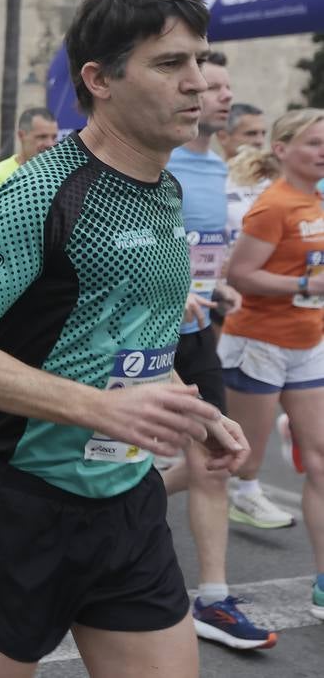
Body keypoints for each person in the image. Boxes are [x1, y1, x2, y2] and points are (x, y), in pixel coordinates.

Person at [0, 0, 248, 676]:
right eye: (169, 64)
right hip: (24, 505)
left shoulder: (167, 186)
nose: (199, 82)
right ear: (99, 78)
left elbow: (130, 335)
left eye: (201, 60)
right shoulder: (41, 193)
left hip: (128, 502)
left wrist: (190, 411)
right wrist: (100, 407)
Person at [157, 58, 277, 648]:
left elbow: (203, 252)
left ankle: (213, 598)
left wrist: (215, 286)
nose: (224, 96)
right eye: (213, 86)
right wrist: (170, 292)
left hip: (196, 331)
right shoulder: (158, 159)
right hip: (137, 337)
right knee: (97, 460)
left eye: (229, 87)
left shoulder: (214, 166)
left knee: (213, 454)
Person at [220, 108, 324, 618]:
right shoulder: (273, 205)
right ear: (282, 150)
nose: (323, 151)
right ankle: (144, 494)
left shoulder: (320, 199)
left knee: (322, 459)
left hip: (308, 343)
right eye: (313, 143)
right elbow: (240, 275)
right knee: (237, 465)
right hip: (258, 345)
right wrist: (306, 285)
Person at [0, 107, 59, 197]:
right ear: (21, 135)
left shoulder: (59, 176)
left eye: (54, 137)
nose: (50, 144)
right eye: (42, 137)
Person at [220, 99, 270, 242]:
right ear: (223, 137)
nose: (260, 141)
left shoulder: (276, 180)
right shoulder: (211, 179)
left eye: (263, 133)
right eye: (251, 133)